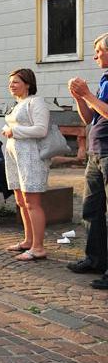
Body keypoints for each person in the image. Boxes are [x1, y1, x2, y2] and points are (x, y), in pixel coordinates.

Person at [68, 33, 108, 287]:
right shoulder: (105, 80)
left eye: (98, 51)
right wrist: (78, 96)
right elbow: (89, 119)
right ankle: (96, 259)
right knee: (91, 210)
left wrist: (88, 95)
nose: (95, 56)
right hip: (96, 153)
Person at [1, 68, 50, 261]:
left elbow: (41, 129)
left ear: (27, 84)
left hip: (31, 157)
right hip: (15, 156)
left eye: (15, 82)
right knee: (21, 202)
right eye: (10, 82)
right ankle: (28, 240)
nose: (11, 85)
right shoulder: (18, 103)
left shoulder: (36, 102)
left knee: (32, 203)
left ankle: (38, 247)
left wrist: (14, 131)